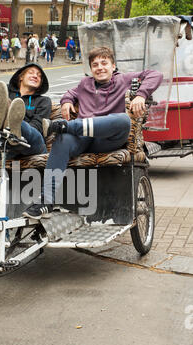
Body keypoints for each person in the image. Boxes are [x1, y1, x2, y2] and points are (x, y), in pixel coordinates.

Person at [23, 46, 163, 219]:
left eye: (104, 63)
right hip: (84, 139)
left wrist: (141, 94)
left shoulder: (123, 80)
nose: (100, 67)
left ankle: (67, 126)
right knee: (62, 139)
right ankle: (46, 201)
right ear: (91, 69)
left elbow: (156, 74)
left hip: (108, 139)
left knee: (123, 120)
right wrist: (67, 100)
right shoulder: (85, 84)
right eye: (95, 64)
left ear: (113, 66)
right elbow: (70, 92)